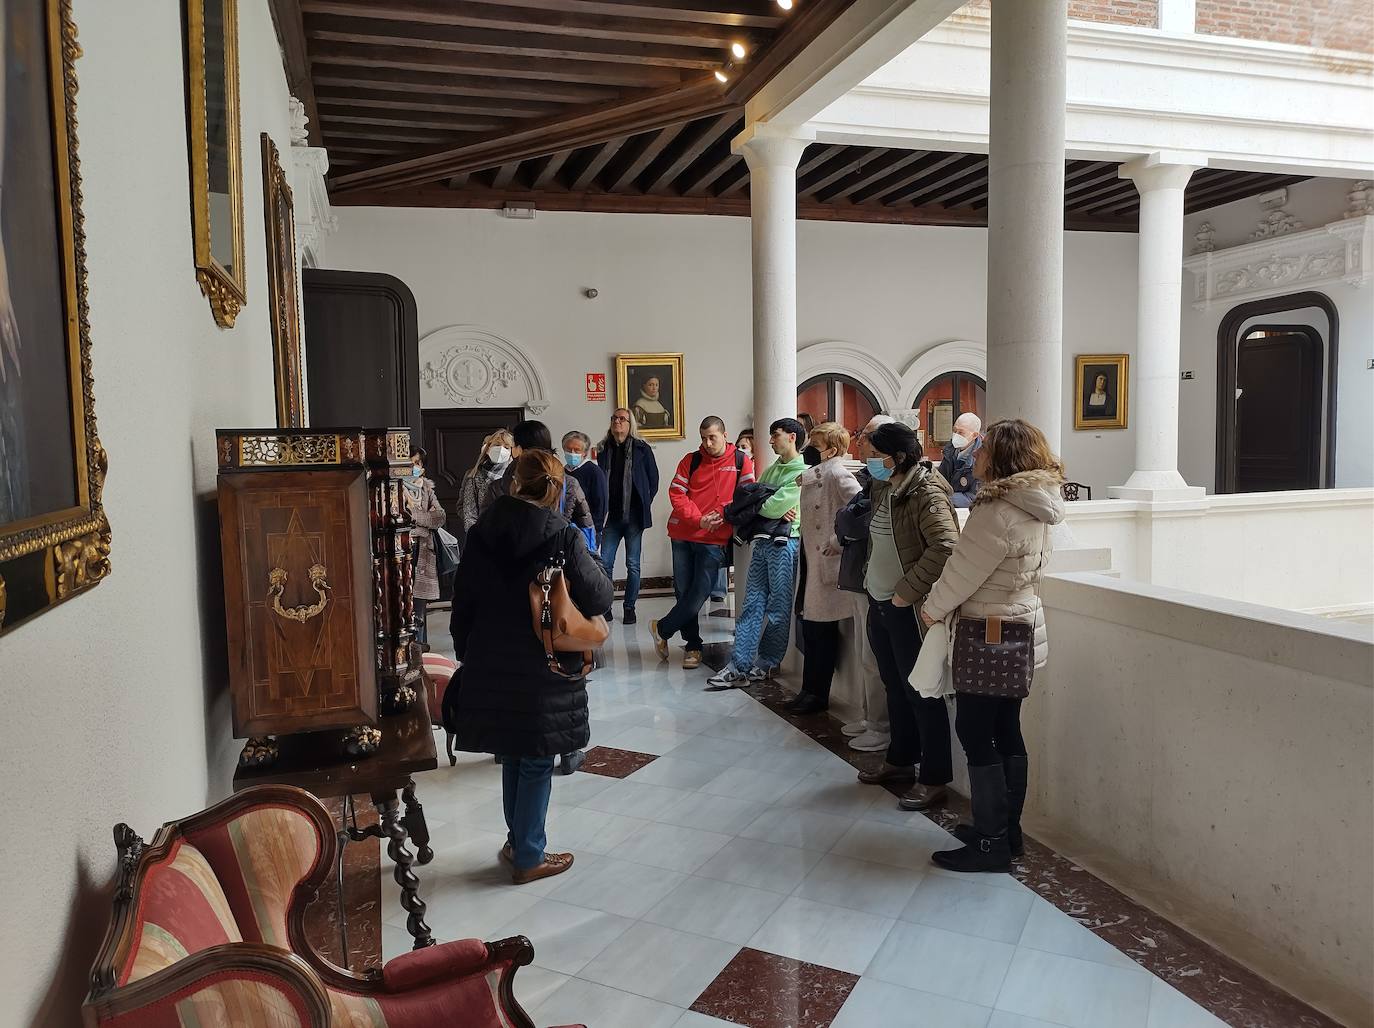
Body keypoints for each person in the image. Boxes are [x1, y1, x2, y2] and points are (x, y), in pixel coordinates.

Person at [449, 450, 613, 884]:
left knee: (514, 755)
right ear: (556, 489)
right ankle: (529, 856)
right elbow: (598, 598)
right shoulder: (562, 534)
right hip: (545, 661)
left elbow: (462, 597)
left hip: (490, 656)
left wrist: (466, 651)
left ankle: (516, 842)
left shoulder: (482, 530)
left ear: (514, 482)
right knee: (537, 758)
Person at [920, 419, 1064, 873]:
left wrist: (931, 610)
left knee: (976, 732)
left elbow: (963, 573)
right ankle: (1006, 831)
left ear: (1000, 458)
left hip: (987, 632)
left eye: (983, 448)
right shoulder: (1038, 506)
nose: (975, 454)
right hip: (1019, 628)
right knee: (1006, 729)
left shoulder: (996, 511)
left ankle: (991, 842)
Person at [853, 422, 960, 812]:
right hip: (880, 603)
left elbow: (946, 546)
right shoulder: (887, 485)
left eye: (876, 451)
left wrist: (906, 591)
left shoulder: (925, 492)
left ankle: (933, 779)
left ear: (897, 457)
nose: (869, 459)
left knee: (921, 692)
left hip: (906, 608)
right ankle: (900, 761)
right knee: (894, 686)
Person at [705, 418, 808, 688]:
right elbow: (749, 500)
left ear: (792, 437)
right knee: (751, 604)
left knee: (778, 607)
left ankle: (767, 662)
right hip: (762, 541)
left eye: (776, 435)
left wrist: (761, 501)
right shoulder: (773, 470)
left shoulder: (803, 470)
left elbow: (769, 507)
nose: (771, 441)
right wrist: (764, 501)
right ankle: (739, 665)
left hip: (784, 543)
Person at [650, 417, 754, 670]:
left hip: (715, 536)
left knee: (700, 592)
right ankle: (693, 646)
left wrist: (719, 514)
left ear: (725, 435)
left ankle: (661, 628)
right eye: (703, 438)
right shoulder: (691, 460)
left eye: (712, 437)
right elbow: (676, 493)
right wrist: (699, 520)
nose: (707, 443)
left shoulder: (741, 460)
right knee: (684, 592)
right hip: (683, 534)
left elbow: (747, 496)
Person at [789, 422, 862, 714]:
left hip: (827, 561)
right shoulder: (817, 473)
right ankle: (809, 690)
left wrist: (837, 540)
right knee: (810, 628)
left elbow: (858, 507)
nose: (808, 450)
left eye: (815, 446)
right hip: (812, 557)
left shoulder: (836, 472)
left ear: (832, 450)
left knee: (821, 631)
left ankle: (817, 694)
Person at [837, 414, 895, 753]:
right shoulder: (869, 479)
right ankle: (869, 715)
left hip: (877, 579)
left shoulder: (888, 484)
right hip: (861, 575)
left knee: (875, 659)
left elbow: (858, 524)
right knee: (865, 655)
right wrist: (846, 520)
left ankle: (881, 725)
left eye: (868, 438)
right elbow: (844, 519)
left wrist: (847, 520)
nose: (861, 443)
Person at [597, 409, 659, 625]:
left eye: (621, 419)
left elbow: (653, 481)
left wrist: (643, 504)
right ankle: (606, 606)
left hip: (634, 517)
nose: (617, 422)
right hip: (610, 517)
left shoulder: (642, 449)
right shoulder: (603, 449)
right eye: (614, 418)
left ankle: (630, 607)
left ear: (629, 423)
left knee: (633, 564)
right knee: (605, 563)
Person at [488, 421, 596, 540]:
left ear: (519, 449)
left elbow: (487, 529)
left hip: (512, 553)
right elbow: (586, 525)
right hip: (558, 550)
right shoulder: (568, 482)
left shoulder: (500, 485)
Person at [402, 447, 446, 649]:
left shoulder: (427, 488)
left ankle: (420, 647)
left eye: (418, 463)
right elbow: (399, 518)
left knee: (419, 604)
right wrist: (423, 523)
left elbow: (440, 517)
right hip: (402, 549)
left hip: (423, 550)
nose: (414, 466)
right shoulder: (393, 486)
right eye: (410, 462)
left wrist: (416, 518)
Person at [459, 430, 513, 539]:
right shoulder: (475, 475)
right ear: (488, 448)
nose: (501, 449)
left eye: (507, 447)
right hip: (483, 536)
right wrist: (477, 537)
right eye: (497, 445)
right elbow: (469, 512)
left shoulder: (514, 476)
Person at [563, 430, 608, 547]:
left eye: (577, 450)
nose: (572, 453)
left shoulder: (594, 472)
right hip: (566, 528)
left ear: (585, 453)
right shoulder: (561, 472)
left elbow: (601, 503)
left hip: (588, 529)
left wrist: (595, 529)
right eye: (568, 449)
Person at [939, 412, 984, 508]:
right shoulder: (949, 450)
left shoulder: (982, 459)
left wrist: (944, 498)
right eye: (954, 431)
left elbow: (973, 498)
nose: (955, 435)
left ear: (974, 435)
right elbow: (940, 479)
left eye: (961, 432)